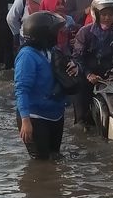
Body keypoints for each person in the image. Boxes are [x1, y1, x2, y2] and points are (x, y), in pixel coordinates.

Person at [15, 11, 79, 160]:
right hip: (34, 116)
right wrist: (25, 121)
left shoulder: (51, 50)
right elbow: (21, 89)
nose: (57, 35)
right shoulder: (27, 56)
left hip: (55, 114)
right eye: (55, 32)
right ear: (43, 34)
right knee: (41, 163)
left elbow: (60, 74)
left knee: (55, 158)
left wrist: (73, 66)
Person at [72, 0, 113, 126]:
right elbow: (78, 57)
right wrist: (88, 74)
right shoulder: (85, 32)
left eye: (111, 15)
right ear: (96, 14)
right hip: (85, 76)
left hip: (107, 77)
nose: (107, 18)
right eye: (104, 14)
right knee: (81, 119)